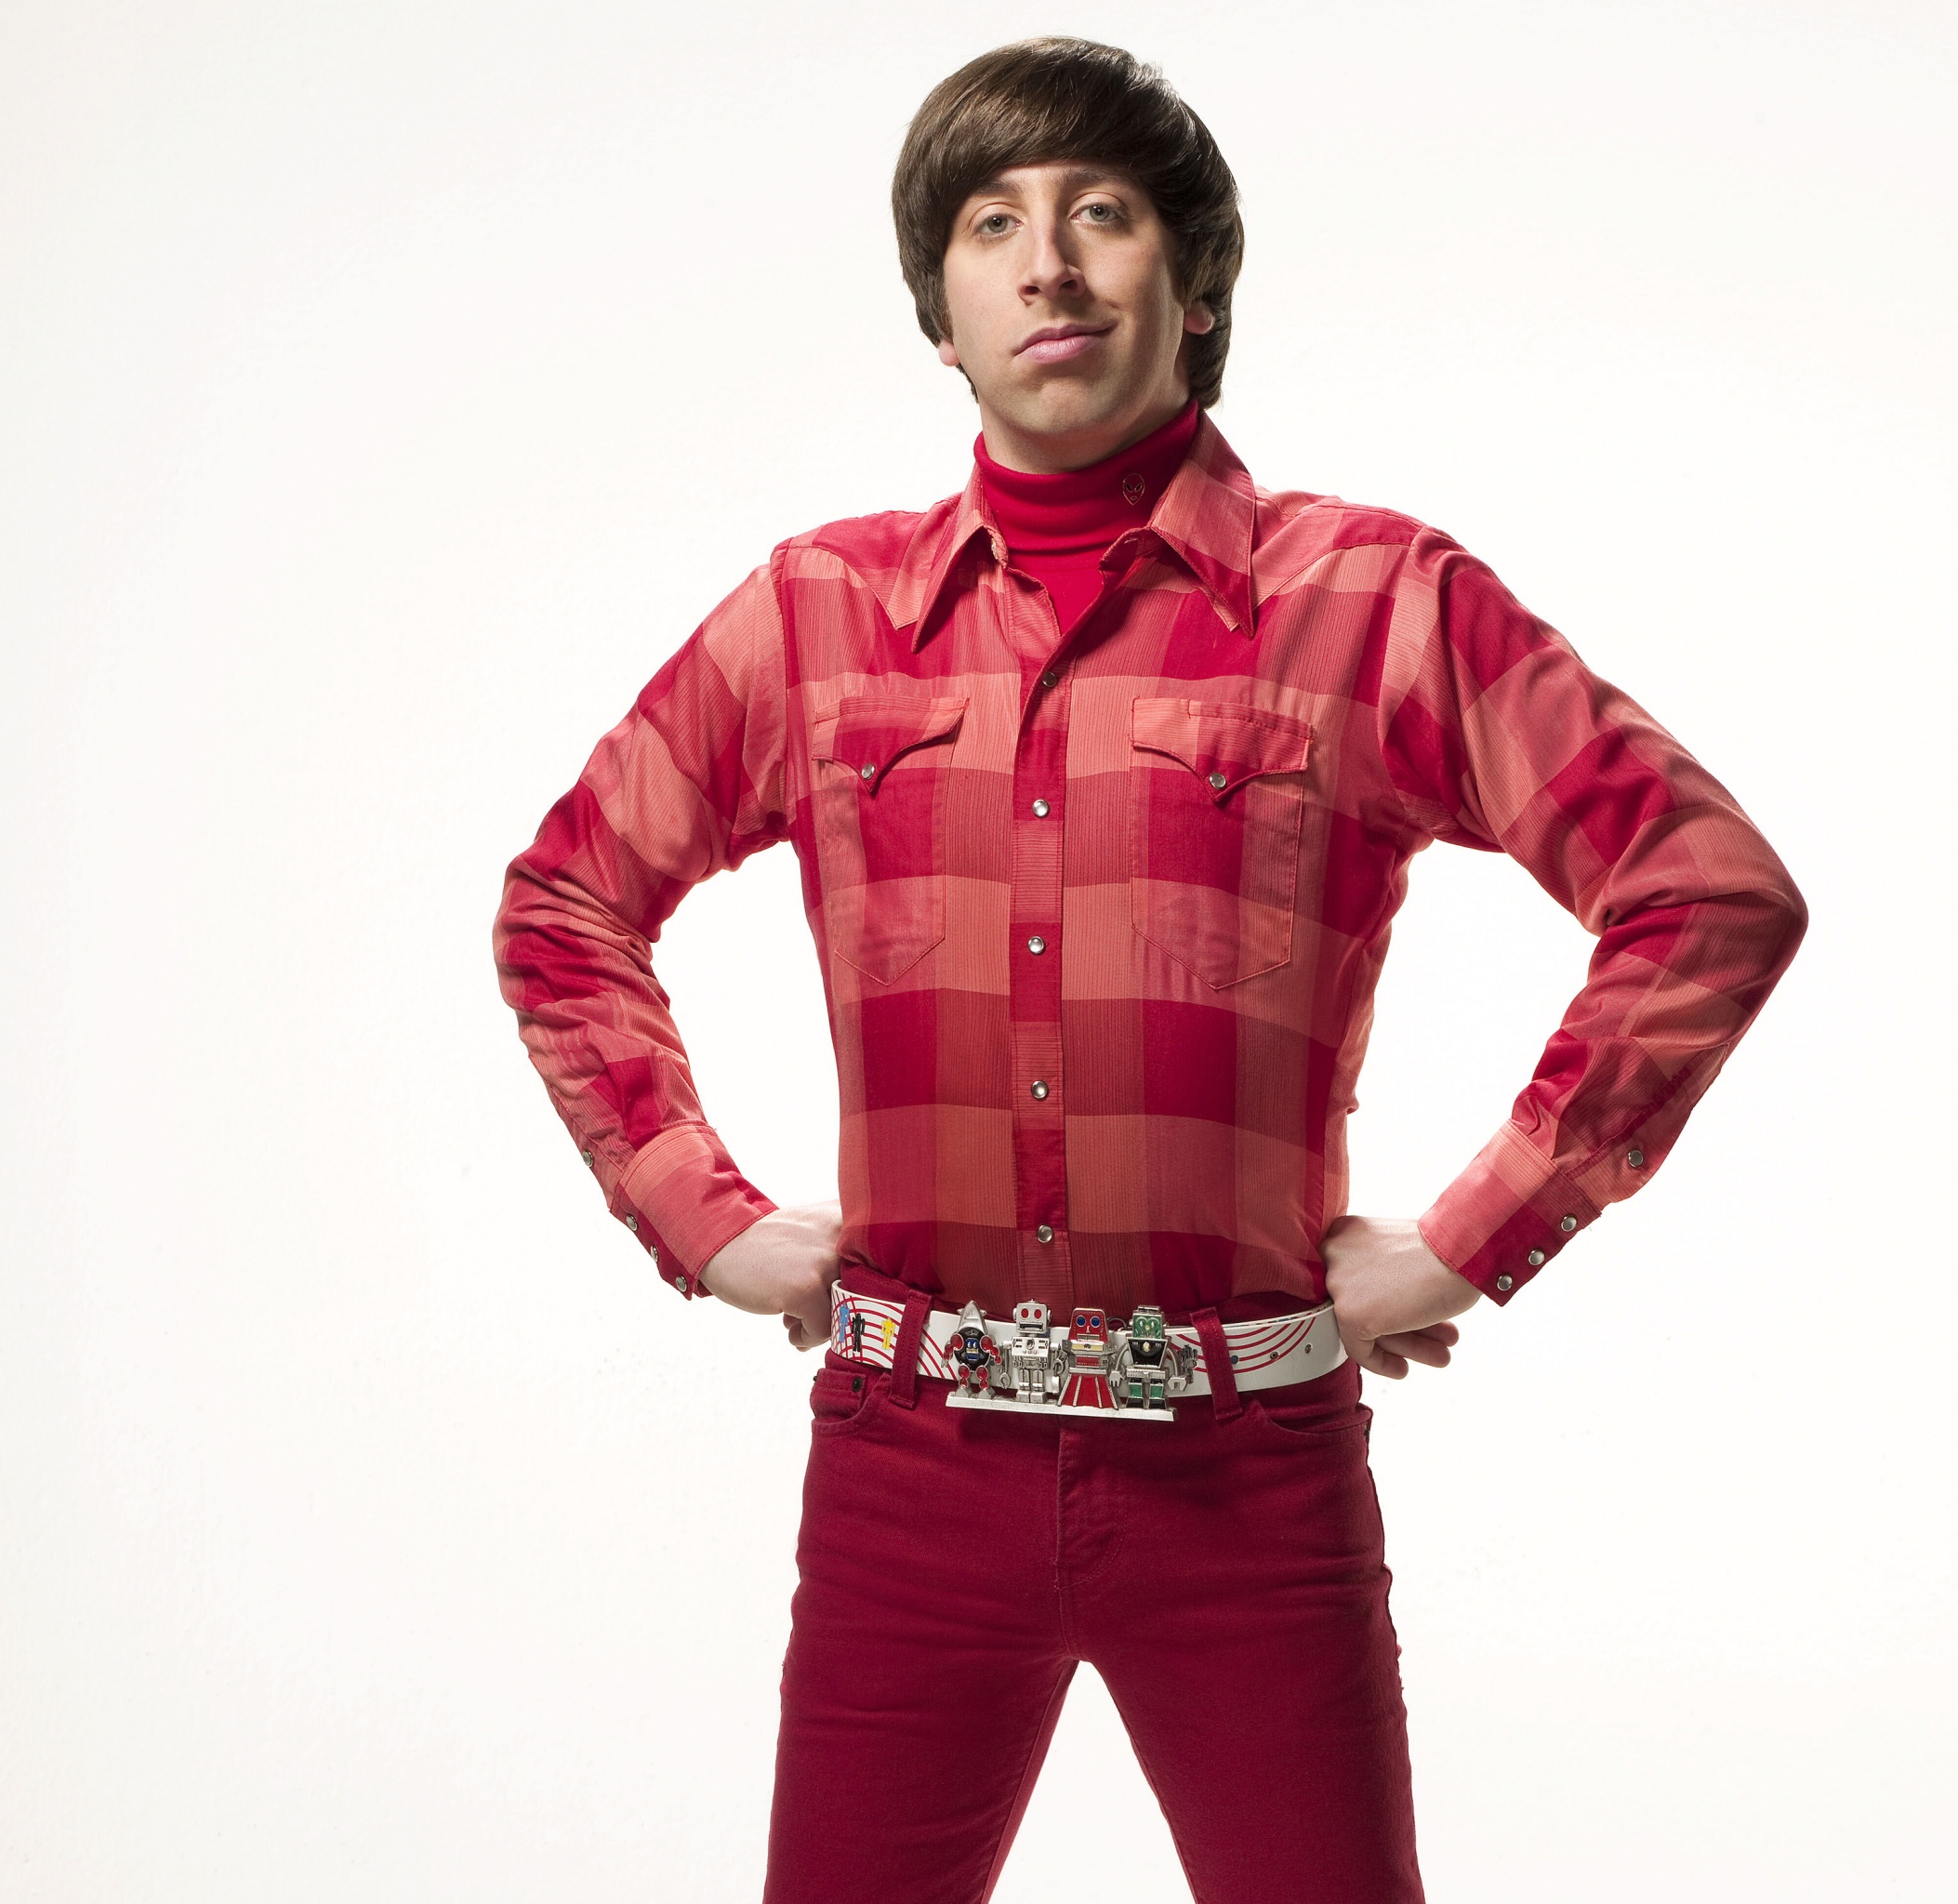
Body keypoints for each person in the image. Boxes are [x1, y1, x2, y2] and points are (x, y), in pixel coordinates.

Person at [493, 35, 1806, 1904]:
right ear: (938, 314)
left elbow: (1702, 888)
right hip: (907, 1471)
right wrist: (700, 1216)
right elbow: (565, 902)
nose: (1047, 263)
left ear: (1194, 289)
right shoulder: (813, 614)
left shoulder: (1375, 601)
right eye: (991, 223)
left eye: (1100, 214)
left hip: (1246, 1473)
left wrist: (1474, 1233)